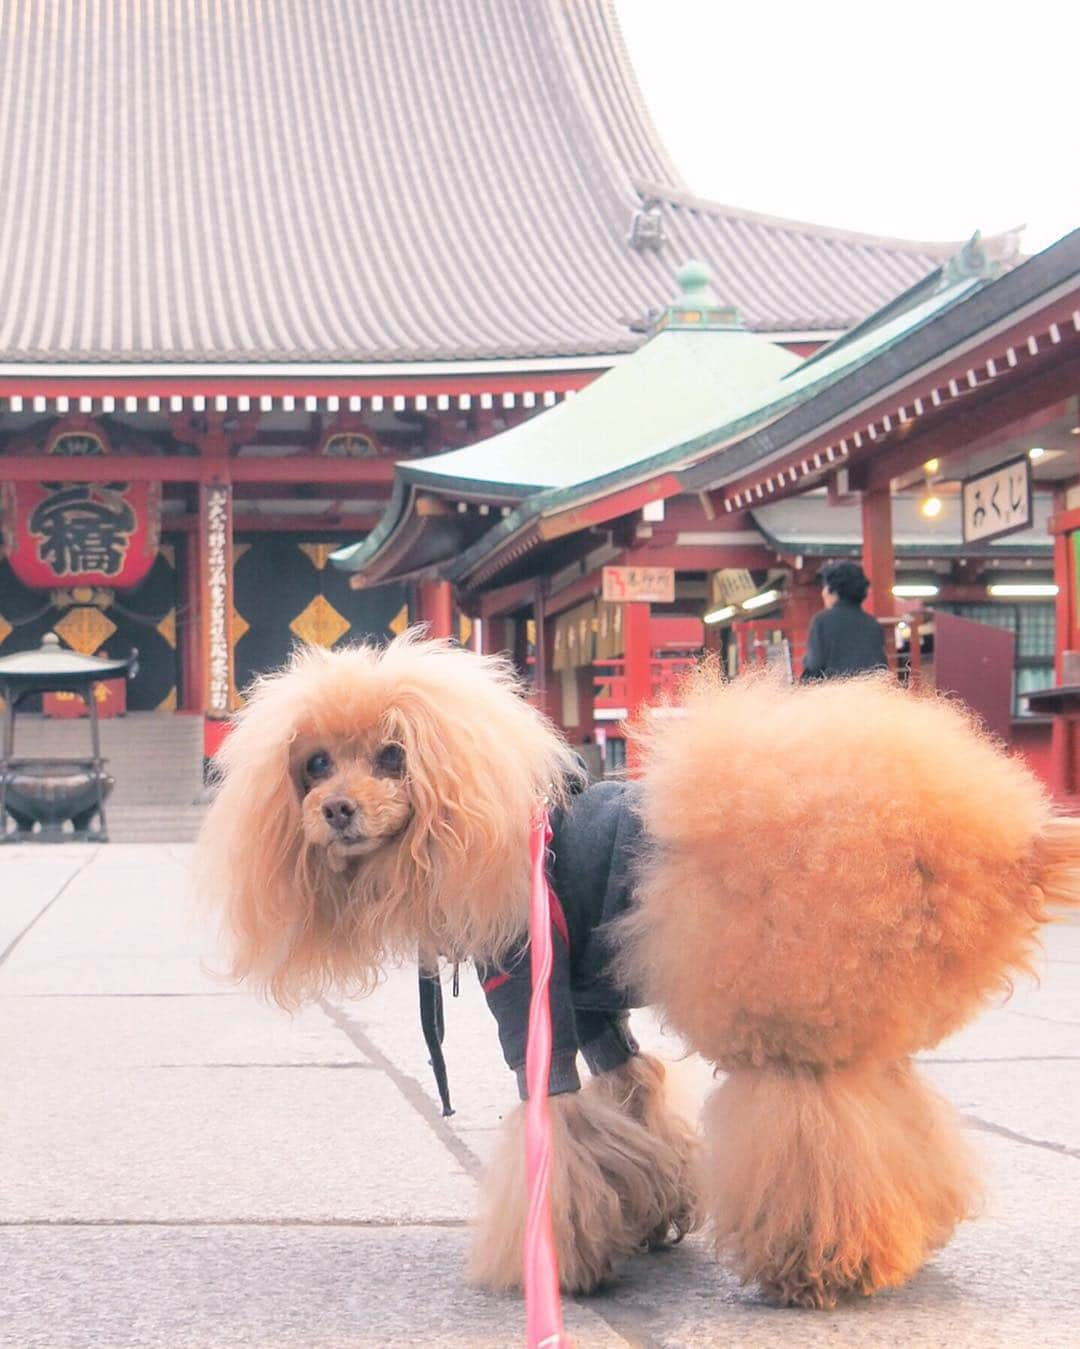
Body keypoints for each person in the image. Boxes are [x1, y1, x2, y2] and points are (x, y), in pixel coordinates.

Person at [801, 560, 888, 680]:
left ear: (834, 591)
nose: (823, 593)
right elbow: (881, 667)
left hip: (835, 694)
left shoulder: (821, 622)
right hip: (870, 694)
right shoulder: (873, 624)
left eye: (825, 586)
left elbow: (815, 664)